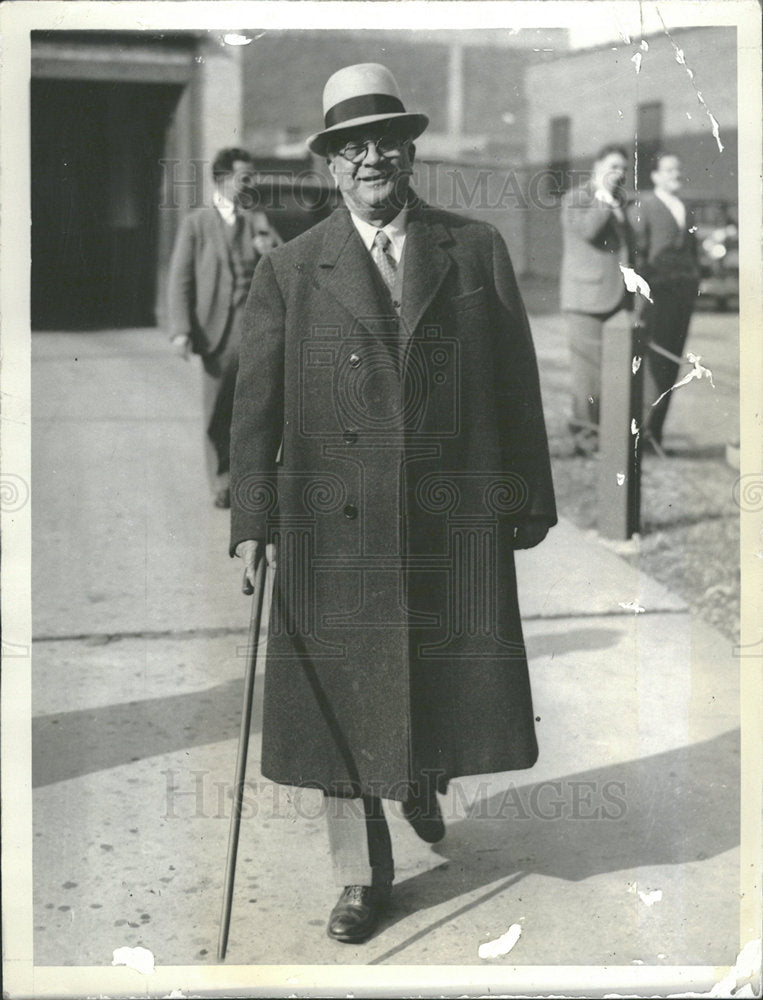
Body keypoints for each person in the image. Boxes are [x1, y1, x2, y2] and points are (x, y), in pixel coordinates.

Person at [229, 63, 556, 943]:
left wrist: (528, 495)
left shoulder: (472, 248)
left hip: (446, 519)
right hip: (330, 526)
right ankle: (358, 878)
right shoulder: (291, 269)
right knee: (341, 698)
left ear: (408, 153)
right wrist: (255, 519)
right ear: (331, 166)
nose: (369, 158)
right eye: (349, 147)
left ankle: (417, 773)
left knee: (436, 674)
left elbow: (515, 384)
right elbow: (252, 404)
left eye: (383, 141)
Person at [167, 148, 281, 508]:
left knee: (256, 409)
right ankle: (221, 481)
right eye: (245, 176)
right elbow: (180, 279)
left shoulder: (256, 217)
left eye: (252, 176)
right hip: (216, 332)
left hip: (257, 329)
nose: (251, 182)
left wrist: (269, 249)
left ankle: (251, 481)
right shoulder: (197, 223)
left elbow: (285, 258)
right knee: (218, 410)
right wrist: (181, 329)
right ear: (222, 179)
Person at [560, 144, 635, 455]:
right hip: (585, 300)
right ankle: (586, 438)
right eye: (613, 166)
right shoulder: (575, 198)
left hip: (618, 298)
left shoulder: (623, 201)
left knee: (613, 374)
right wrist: (604, 196)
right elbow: (590, 230)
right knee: (588, 378)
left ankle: (605, 435)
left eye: (623, 169)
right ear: (597, 164)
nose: (618, 174)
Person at [628, 153, 700, 449]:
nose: (675, 174)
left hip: (682, 297)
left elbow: (692, 252)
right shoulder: (644, 205)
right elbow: (636, 256)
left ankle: (655, 434)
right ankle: (642, 434)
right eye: (669, 169)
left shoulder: (685, 207)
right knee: (653, 363)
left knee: (672, 361)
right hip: (656, 297)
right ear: (655, 176)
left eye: (678, 168)